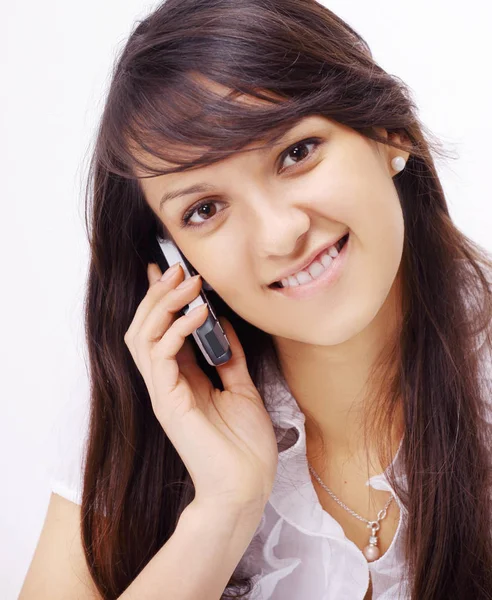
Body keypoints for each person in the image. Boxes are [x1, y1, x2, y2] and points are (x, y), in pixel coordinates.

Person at [19, 0, 492, 599]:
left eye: (296, 152)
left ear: (387, 131)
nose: (279, 234)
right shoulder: (160, 400)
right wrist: (224, 509)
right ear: (177, 259)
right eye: (205, 210)